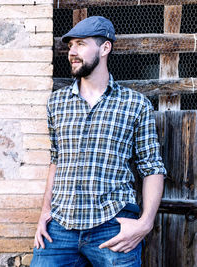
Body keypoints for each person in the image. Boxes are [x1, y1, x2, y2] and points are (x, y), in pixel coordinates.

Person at [30, 16, 166, 267]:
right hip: (59, 228)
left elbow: (152, 167)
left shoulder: (135, 105)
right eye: (70, 46)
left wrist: (145, 224)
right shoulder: (57, 103)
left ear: (105, 48)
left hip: (112, 227)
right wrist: (44, 212)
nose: (72, 52)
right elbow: (56, 160)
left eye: (81, 44)